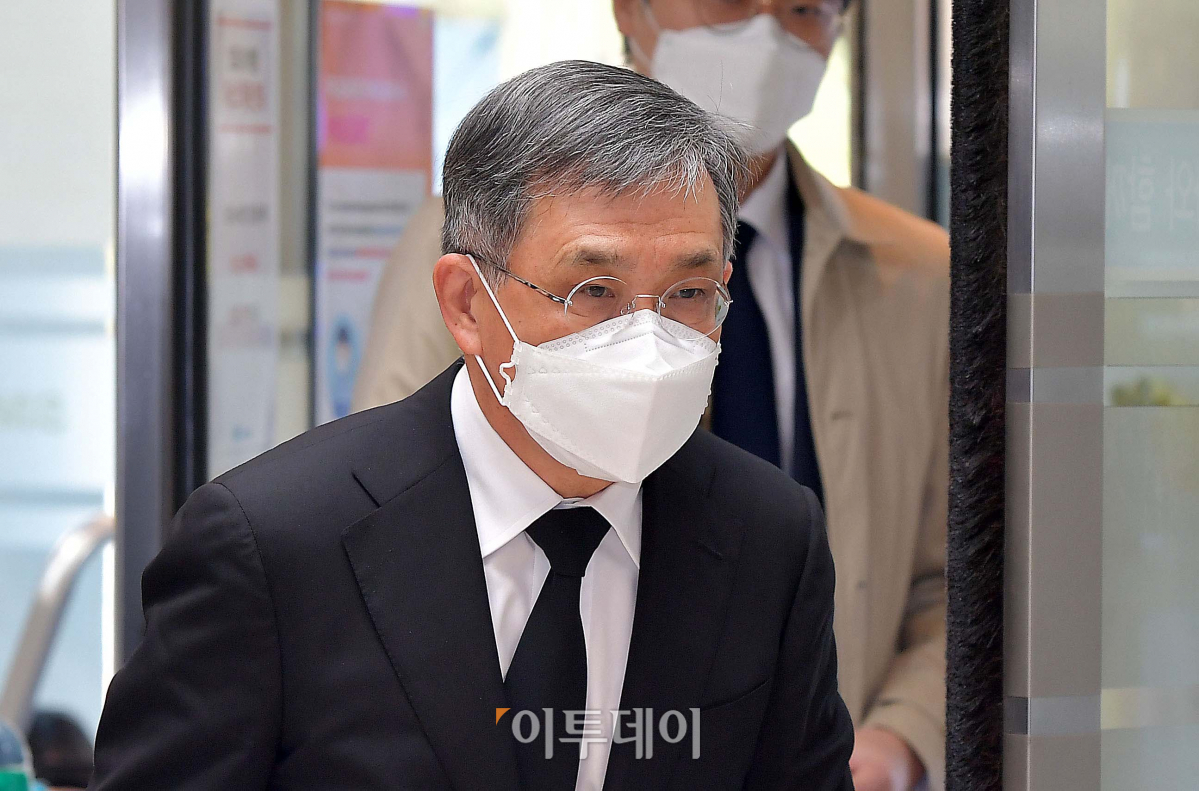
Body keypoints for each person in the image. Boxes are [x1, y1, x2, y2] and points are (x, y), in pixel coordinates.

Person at [90, 61, 854, 790]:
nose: (646, 339)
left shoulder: (767, 536)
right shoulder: (275, 545)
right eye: (593, 290)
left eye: (687, 293)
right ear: (465, 302)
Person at [354, 3, 949, 791]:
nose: (766, 34)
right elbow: (389, 525)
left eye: (804, 8)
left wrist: (900, 734)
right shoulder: (484, 245)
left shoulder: (920, 275)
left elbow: (957, 569)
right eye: (593, 288)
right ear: (629, 10)